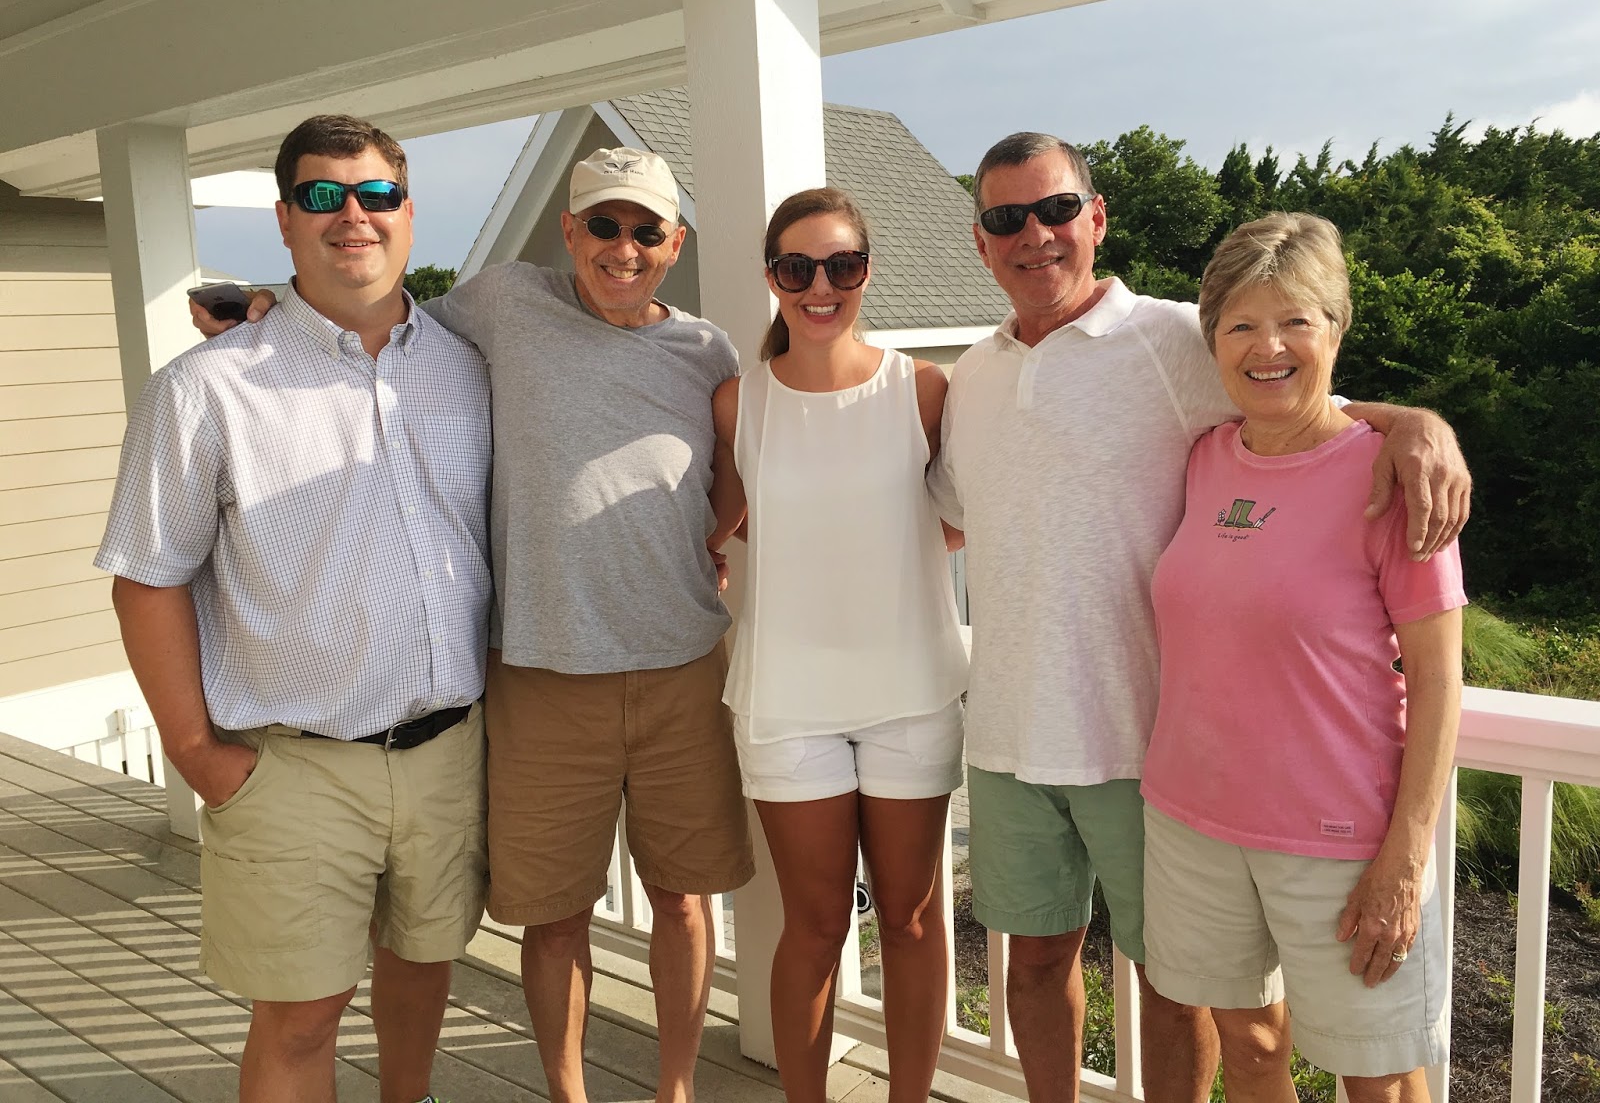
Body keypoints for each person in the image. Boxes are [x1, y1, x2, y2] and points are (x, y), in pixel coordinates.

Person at [927, 132, 1471, 1103]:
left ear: (1096, 218)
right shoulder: (972, 374)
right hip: (1024, 740)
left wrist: (1419, 424)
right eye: (1007, 217)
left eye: (1056, 209)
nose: (1034, 234)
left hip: (1145, 747)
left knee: (1191, 1000)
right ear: (979, 240)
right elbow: (954, 516)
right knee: (1045, 967)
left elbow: (1304, 397)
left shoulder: (1174, 336)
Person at [207, 146, 754, 1103]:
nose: (623, 248)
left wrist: (690, 544)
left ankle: (676, 1090)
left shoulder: (709, 352)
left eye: (646, 231)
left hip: (680, 667)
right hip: (538, 674)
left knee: (682, 899)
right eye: (604, 225)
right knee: (556, 914)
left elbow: (732, 480)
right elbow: (380, 311)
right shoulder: (503, 302)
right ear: (569, 231)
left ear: (675, 244)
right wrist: (273, 301)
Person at [102, 114, 492, 1103]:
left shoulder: (469, 364)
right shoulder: (205, 388)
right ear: (285, 219)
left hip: (451, 751)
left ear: (408, 213)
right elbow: (146, 577)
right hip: (293, 766)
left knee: (423, 969)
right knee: (301, 1017)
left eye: (376, 194)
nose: (352, 215)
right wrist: (196, 753)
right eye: (323, 195)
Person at [1140, 212, 1464, 1103]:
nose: (1268, 346)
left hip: (1342, 840)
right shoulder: (1206, 456)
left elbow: (1439, 681)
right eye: (1241, 325)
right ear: (1213, 341)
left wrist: (1407, 852)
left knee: (1380, 1077)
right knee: (1248, 1044)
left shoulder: (1396, 479)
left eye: (1295, 321)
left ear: (1337, 328)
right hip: (1192, 821)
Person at [706, 188, 970, 1103]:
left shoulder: (923, 390)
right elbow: (715, 521)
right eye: (798, 268)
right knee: (815, 927)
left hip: (912, 694)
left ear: (866, 271)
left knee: (911, 920)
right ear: (772, 277)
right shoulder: (739, 403)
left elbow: (962, 514)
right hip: (785, 703)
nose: (821, 287)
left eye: (841, 265)